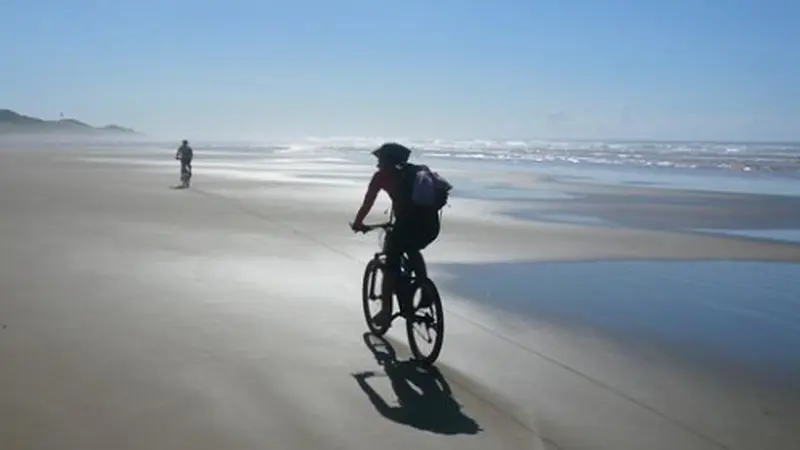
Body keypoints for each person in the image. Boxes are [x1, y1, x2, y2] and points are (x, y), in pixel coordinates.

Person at [350, 142, 442, 326]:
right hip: (431, 226)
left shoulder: (382, 176)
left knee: (390, 264)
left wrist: (359, 223)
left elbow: (368, 203)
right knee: (413, 249)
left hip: (406, 225)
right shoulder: (416, 172)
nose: (377, 163)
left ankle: (385, 312)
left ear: (386, 160)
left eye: (380, 159)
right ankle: (425, 289)